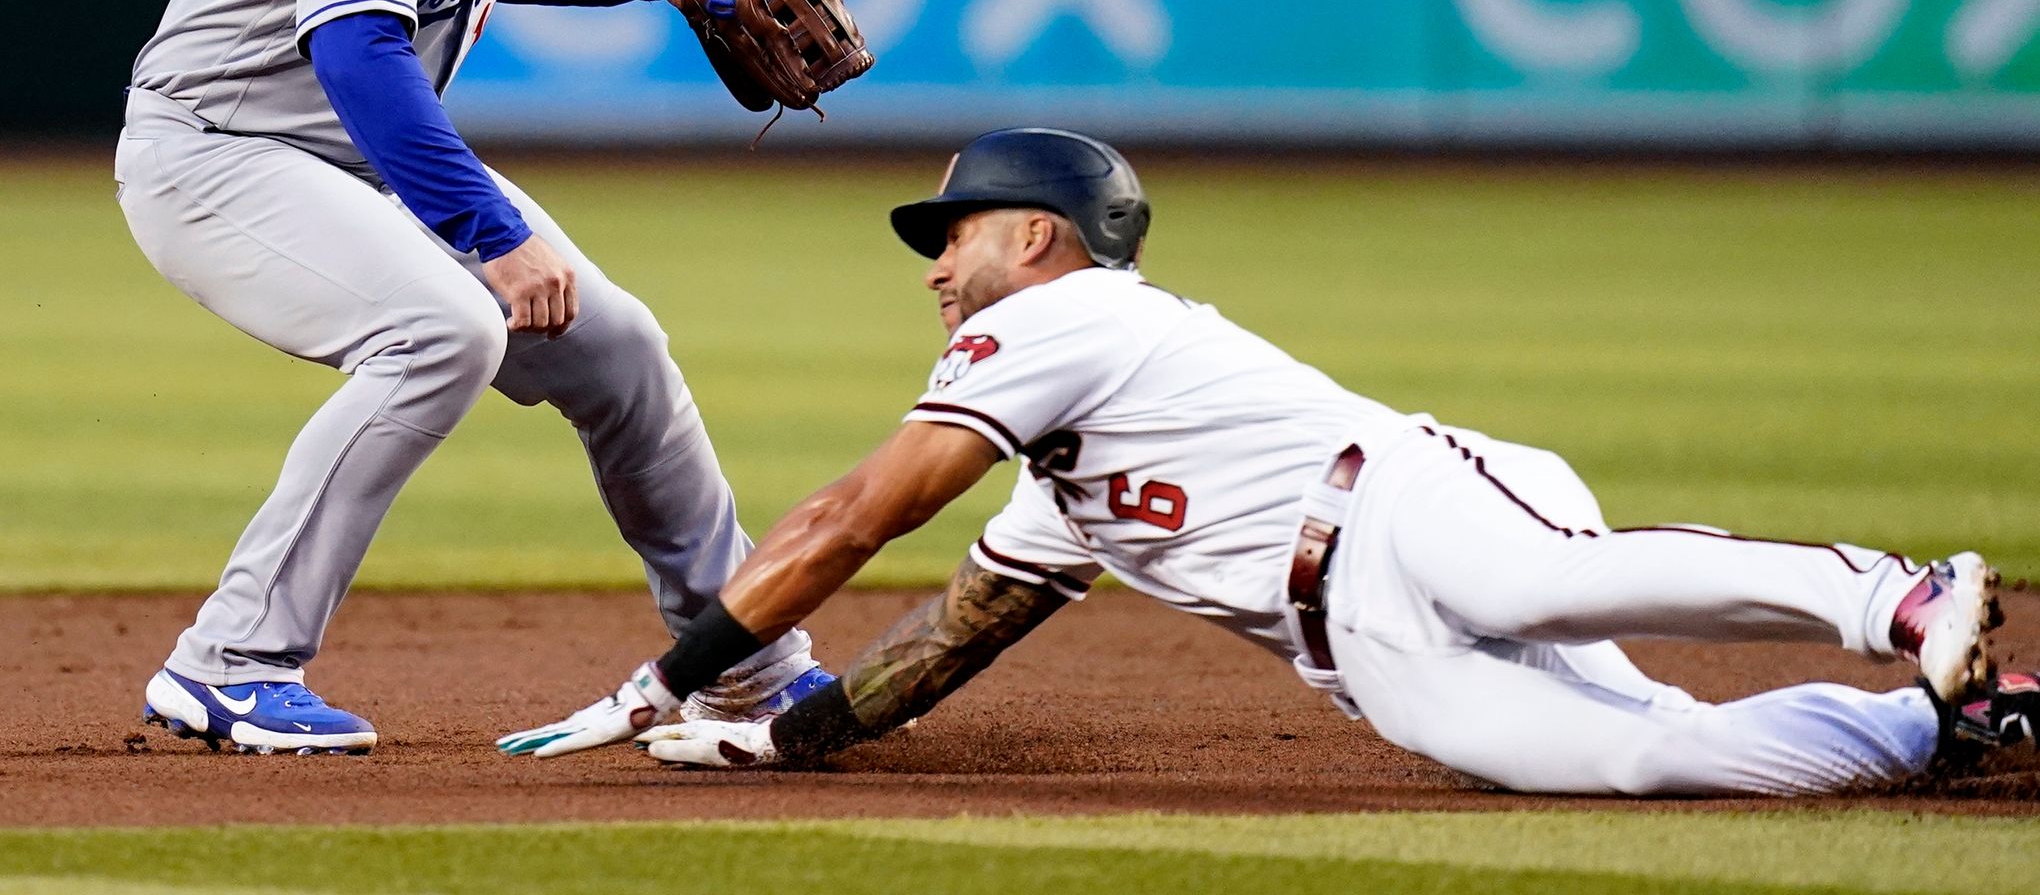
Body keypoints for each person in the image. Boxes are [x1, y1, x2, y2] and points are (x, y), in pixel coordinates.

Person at [498, 128, 2034, 795]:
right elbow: (958, 627)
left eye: (951, 234)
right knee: (1645, 754)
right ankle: (1940, 736)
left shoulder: (1065, 316)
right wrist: (800, 737)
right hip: (1354, 647)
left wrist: (687, 669)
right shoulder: (1061, 454)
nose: (934, 268)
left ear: (1036, 236)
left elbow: (849, 517)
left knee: (1543, 580)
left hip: (1402, 503)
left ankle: (1900, 599)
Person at [119, 0, 845, 756]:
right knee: (446, 327)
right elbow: (358, 57)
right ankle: (231, 662)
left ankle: (741, 661)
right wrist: (491, 238)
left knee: (619, 349)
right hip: (216, 155)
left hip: (326, 152)